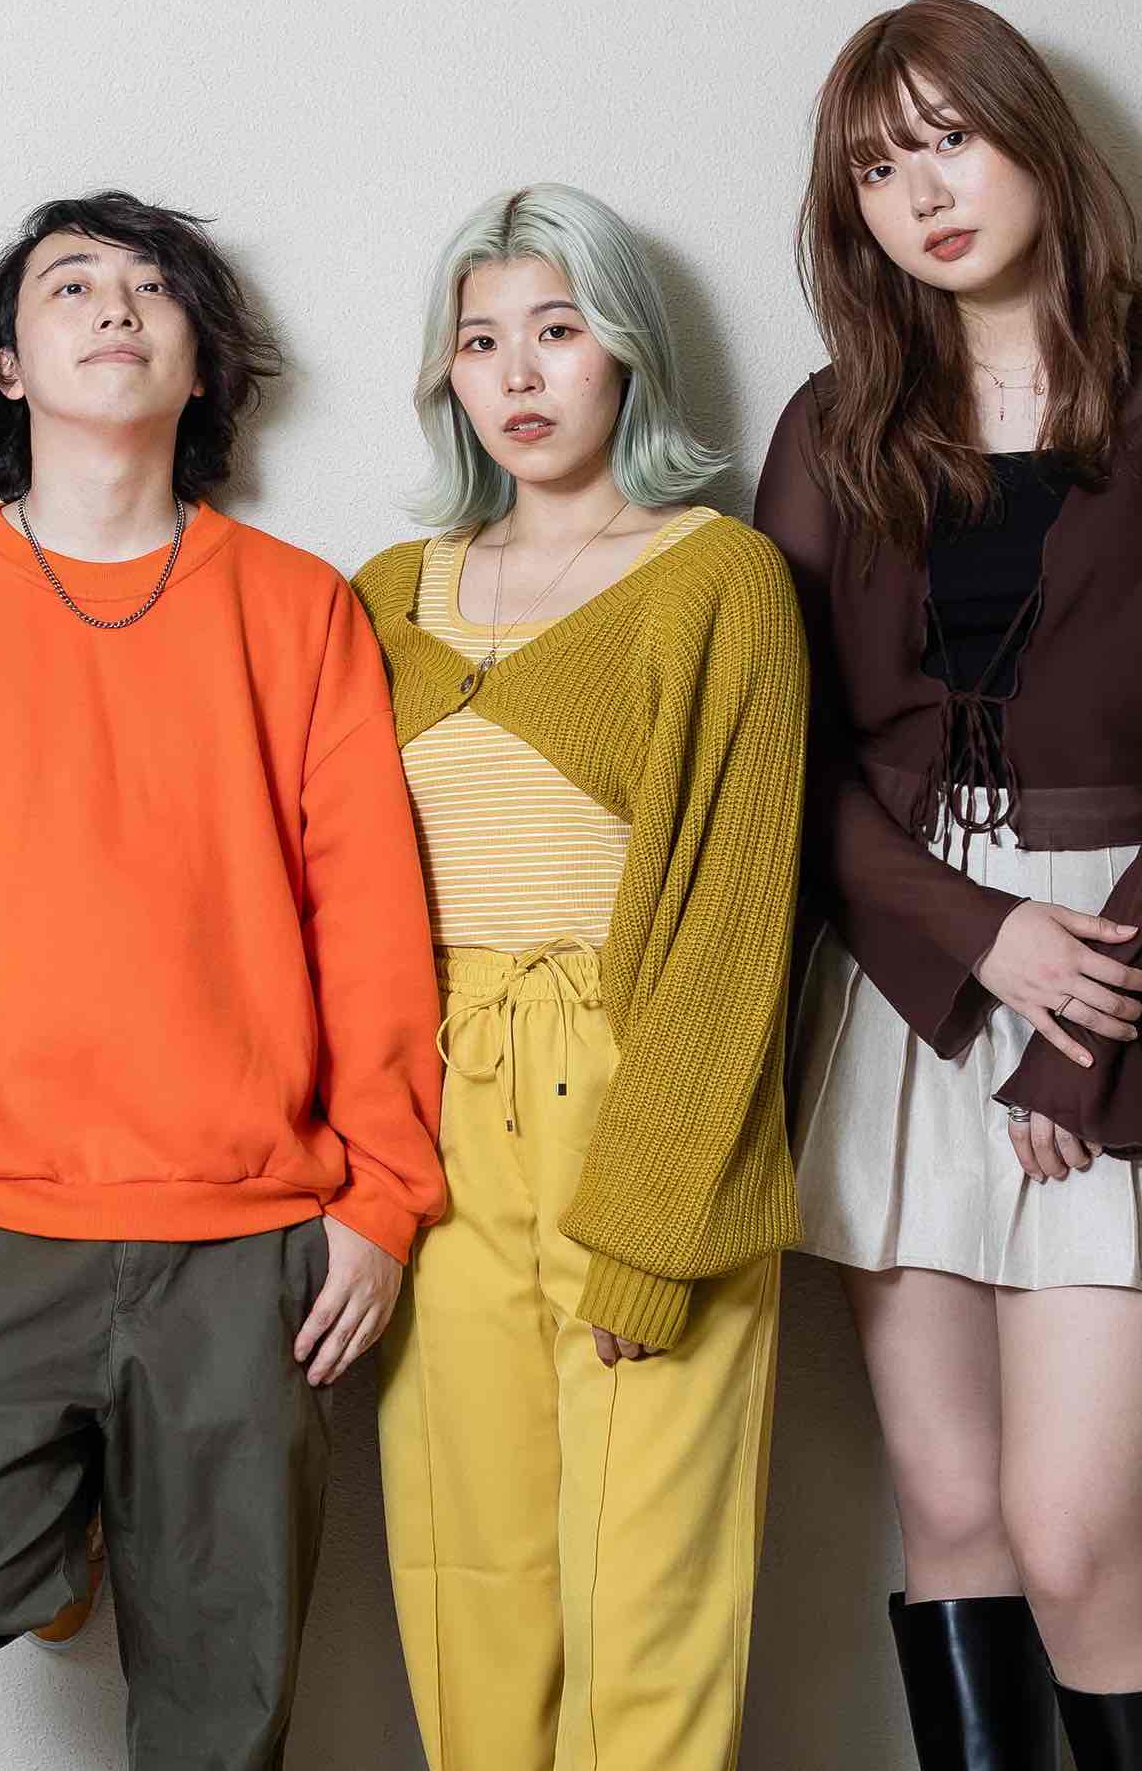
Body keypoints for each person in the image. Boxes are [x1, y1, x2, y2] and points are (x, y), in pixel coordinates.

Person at [0, 191, 445, 1771]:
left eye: (154, 289)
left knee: (224, 1711)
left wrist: (383, 1195)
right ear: (8, 366)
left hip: (247, 1234)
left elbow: (368, 923)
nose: (117, 308)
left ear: (203, 366)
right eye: (71, 286)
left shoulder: (299, 607)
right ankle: (74, 1524)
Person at [757, 0, 1142, 1770]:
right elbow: (796, 759)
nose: (921, 194)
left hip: (1133, 965)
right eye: (876, 170)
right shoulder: (833, 425)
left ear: (1036, 142)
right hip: (909, 977)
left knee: (1078, 1545)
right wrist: (978, 938)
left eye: (950, 140)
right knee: (958, 1522)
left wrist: (1092, 1031)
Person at [352, 183, 807, 1770]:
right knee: (468, 1581)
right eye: (481, 341)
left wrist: (654, 1236)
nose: (521, 373)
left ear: (627, 351)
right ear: (446, 373)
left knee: (649, 1601)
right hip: (434, 1115)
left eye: (559, 330)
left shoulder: (717, 576)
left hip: (640, 1102)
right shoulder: (384, 595)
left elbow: (738, 933)